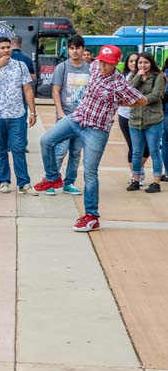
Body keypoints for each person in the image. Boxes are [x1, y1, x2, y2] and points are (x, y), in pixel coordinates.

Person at [35, 46, 147, 232]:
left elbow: (141, 100)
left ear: (115, 64)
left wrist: (118, 101)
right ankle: (53, 178)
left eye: (107, 63)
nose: (102, 66)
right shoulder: (94, 66)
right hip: (77, 119)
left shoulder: (120, 84)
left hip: (96, 130)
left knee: (90, 173)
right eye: (101, 61)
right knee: (46, 140)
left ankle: (91, 216)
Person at [0, 37, 38, 195]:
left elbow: (27, 89)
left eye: (8, 47)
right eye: (2, 48)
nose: (6, 50)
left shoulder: (20, 65)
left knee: (18, 148)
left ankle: (24, 183)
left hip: (17, 114)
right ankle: (4, 181)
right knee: (1, 149)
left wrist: (32, 111)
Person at [47, 34, 89, 196]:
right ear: (68, 49)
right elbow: (56, 90)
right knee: (59, 150)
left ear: (83, 49)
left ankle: (69, 182)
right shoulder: (62, 67)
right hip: (65, 117)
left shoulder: (89, 69)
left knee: (76, 153)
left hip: (82, 119)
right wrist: (60, 112)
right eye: (72, 48)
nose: (75, 51)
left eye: (78, 48)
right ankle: (51, 180)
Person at [126, 52, 165, 193]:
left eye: (146, 62)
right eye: (140, 63)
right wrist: (138, 77)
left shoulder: (158, 77)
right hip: (135, 120)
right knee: (136, 152)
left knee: (154, 151)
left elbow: (156, 95)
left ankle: (156, 182)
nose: (143, 65)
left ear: (151, 63)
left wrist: (138, 100)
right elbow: (128, 90)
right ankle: (135, 180)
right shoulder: (133, 77)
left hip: (153, 120)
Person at [117, 52, 149, 185]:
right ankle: (135, 175)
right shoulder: (123, 77)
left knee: (147, 148)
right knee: (133, 147)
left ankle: (139, 169)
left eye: (136, 61)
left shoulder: (146, 76)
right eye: (130, 61)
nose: (133, 64)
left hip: (143, 116)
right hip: (126, 116)